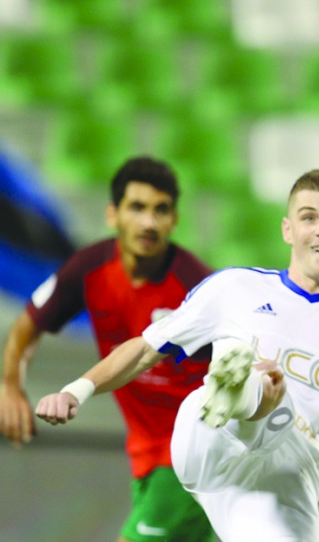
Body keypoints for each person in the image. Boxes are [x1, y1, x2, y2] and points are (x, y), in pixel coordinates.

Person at [34, 169, 319, 542]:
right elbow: (145, 349)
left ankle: (256, 398)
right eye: (309, 217)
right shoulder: (234, 289)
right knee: (255, 383)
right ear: (288, 230)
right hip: (211, 443)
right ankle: (241, 394)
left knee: (274, 417)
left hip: (279, 484)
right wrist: (78, 389)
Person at [0, 156, 215, 542]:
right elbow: (28, 324)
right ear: (113, 214)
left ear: (174, 220)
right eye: (137, 208)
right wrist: (11, 385)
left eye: (160, 210)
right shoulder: (88, 269)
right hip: (147, 451)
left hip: (193, 449)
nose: (148, 222)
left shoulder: (196, 285)